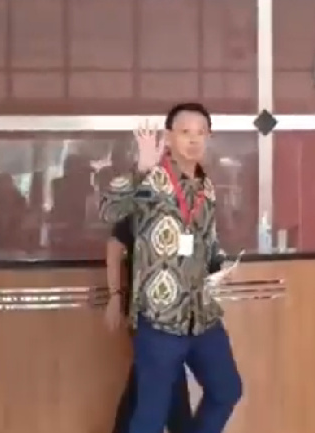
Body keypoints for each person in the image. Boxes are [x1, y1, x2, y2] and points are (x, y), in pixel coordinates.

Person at [99, 102, 242, 433]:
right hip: (160, 319)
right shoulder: (150, 178)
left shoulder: (206, 187)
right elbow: (108, 211)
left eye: (201, 132)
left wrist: (221, 265)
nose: (193, 139)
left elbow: (207, 242)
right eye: (185, 132)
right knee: (150, 415)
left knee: (227, 389)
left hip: (202, 315)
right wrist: (139, 170)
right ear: (168, 137)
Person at [105, 216, 225, 433]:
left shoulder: (195, 209)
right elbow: (115, 244)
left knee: (154, 388)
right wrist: (115, 295)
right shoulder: (148, 202)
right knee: (162, 391)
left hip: (183, 316)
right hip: (152, 316)